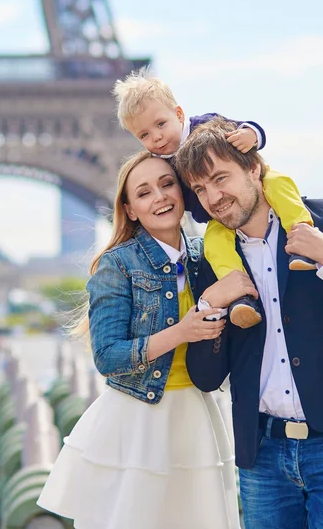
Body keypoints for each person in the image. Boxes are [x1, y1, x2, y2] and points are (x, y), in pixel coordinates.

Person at [173, 117, 323, 529]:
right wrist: (210, 305)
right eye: (200, 189)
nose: (212, 198)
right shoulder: (211, 259)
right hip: (261, 454)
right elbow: (207, 376)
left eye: (220, 178)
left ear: (252, 167)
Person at [37, 151, 242, 529]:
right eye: (144, 192)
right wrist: (183, 331)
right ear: (129, 209)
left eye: (167, 185)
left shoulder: (210, 256)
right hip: (139, 418)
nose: (160, 197)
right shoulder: (117, 264)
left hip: (198, 416)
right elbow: (107, 356)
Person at [113, 67, 316, 331]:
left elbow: (249, 130)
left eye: (160, 124)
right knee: (214, 245)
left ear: (179, 114)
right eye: (144, 135)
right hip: (217, 218)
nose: (157, 137)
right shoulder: (161, 166)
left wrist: (251, 135)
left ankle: (302, 237)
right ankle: (240, 294)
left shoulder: (206, 125)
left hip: (259, 184)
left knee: (278, 183)